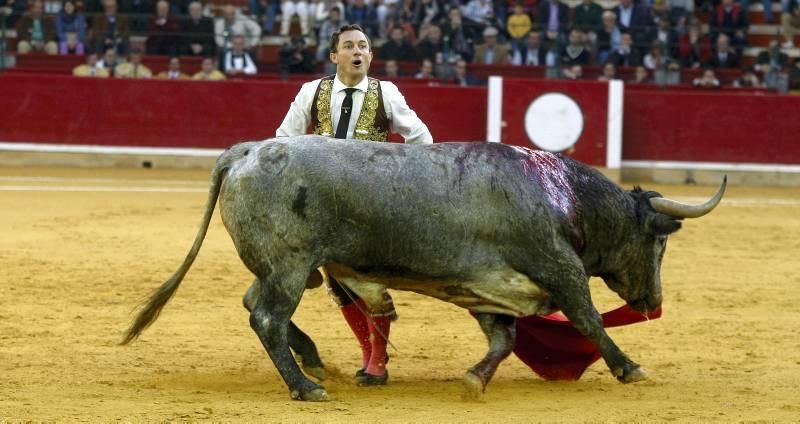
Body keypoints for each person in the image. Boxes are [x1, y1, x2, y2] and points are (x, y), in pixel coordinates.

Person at [276, 24, 433, 386]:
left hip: (372, 203)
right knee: (339, 282)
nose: (357, 51)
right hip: (326, 204)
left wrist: (414, 183)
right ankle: (369, 351)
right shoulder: (312, 91)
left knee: (369, 281)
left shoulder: (386, 93)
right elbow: (284, 140)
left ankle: (377, 356)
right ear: (335, 56)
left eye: (363, 46)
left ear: (371, 55)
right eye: (349, 46)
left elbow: (421, 138)